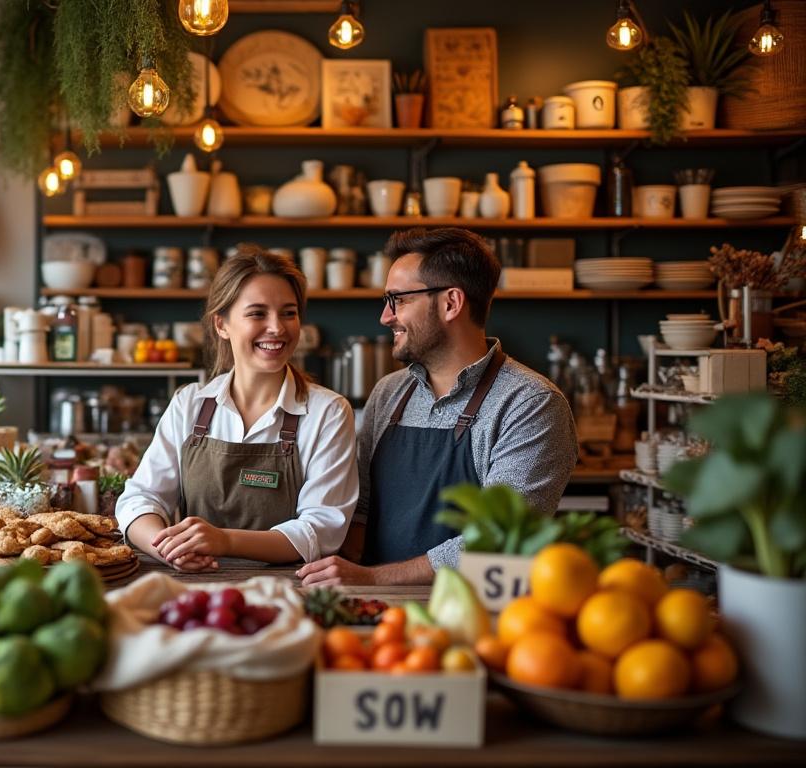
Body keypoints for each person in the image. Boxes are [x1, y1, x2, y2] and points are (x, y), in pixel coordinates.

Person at [298, 228, 577, 587]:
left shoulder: (529, 404)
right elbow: (362, 511)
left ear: (451, 303)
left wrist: (371, 577)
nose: (386, 317)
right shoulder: (390, 393)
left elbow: (499, 538)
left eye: (398, 299)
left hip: (473, 618)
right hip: (376, 611)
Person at [116, 246, 359, 571]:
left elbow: (321, 530)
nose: (277, 327)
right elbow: (140, 499)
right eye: (257, 313)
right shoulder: (190, 405)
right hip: (194, 587)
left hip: (289, 593)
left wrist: (225, 541)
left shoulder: (327, 413)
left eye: (288, 313)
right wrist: (170, 551)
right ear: (222, 325)